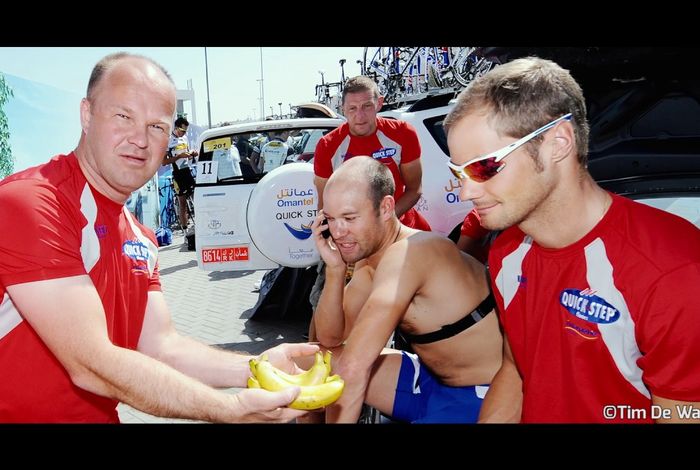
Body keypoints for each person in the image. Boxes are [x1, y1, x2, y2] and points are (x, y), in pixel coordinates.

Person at [0, 52, 318, 423]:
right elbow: (91, 364)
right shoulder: (32, 203)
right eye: (123, 116)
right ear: (86, 114)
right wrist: (230, 410)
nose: (139, 139)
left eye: (157, 126)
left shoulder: (142, 238)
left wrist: (256, 366)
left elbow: (161, 347)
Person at [443, 56, 700, 423]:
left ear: (558, 143)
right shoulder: (506, 252)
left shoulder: (673, 271)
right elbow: (516, 369)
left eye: (483, 167)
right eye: (458, 172)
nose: (466, 191)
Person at [310, 156, 503, 423]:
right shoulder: (369, 264)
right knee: (312, 362)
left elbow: (354, 367)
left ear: (386, 207)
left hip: (482, 392)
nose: (338, 231)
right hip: (430, 381)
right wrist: (334, 270)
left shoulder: (415, 251)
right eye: (330, 219)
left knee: (344, 367)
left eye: (350, 217)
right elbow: (330, 340)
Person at [308, 75, 431, 336]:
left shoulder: (402, 134)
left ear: (380, 104)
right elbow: (325, 207)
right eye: (352, 108)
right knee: (326, 307)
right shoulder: (328, 146)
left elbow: (415, 190)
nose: (360, 115)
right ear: (343, 110)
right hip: (351, 242)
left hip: (399, 236)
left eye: (367, 106)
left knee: (411, 316)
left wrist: (380, 224)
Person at [162, 116, 198, 229]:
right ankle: (185, 229)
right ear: (176, 128)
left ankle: (200, 225)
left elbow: (187, 153)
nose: (183, 133)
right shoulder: (168, 140)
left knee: (196, 199)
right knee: (182, 203)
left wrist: (192, 153)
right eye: (182, 131)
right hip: (177, 174)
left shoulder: (185, 138)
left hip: (187, 171)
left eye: (185, 131)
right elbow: (164, 162)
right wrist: (179, 156)